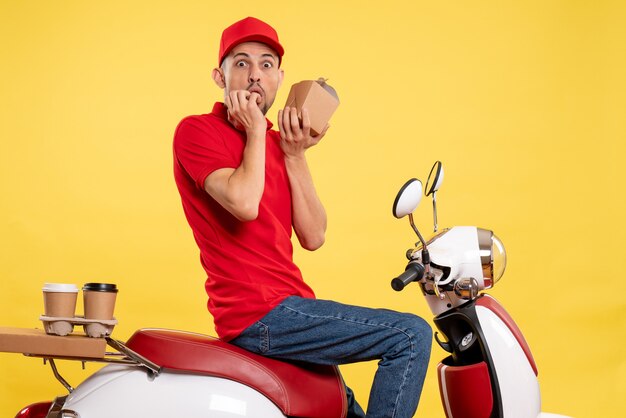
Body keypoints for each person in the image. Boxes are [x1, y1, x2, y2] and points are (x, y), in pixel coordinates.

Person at [173, 16, 431, 418]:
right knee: (409, 335)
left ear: (280, 78)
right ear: (219, 77)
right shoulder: (197, 131)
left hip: (293, 309)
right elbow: (243, 203)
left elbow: (314, 235)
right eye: (240, 64)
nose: (255, 75)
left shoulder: (281, 145)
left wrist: (295, 155)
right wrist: (257, 131)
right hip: (256, 314)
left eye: (266, 65)